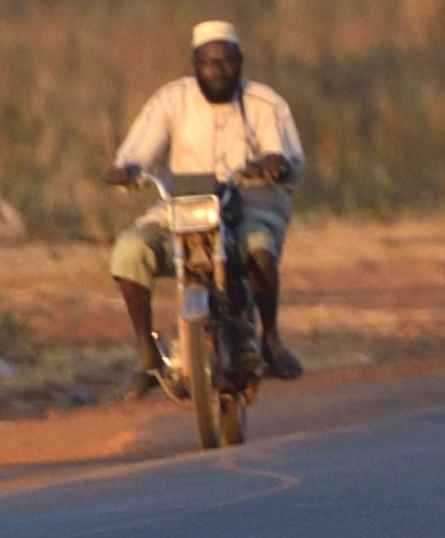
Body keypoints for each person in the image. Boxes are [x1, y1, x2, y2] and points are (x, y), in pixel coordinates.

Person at [106, 21, 307, 394]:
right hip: (183, 208)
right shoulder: (172, 100)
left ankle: (271, 340)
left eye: (226, 61)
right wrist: (129, 168)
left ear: (240, 61)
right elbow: (139, 150)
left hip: (247, 206)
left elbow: (287, 156)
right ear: (194, 63)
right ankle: (147, 354)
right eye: (208, 62)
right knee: (130, 251)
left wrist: (274, 163)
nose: (217, 70)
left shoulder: (265, 103)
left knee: (260, 251)